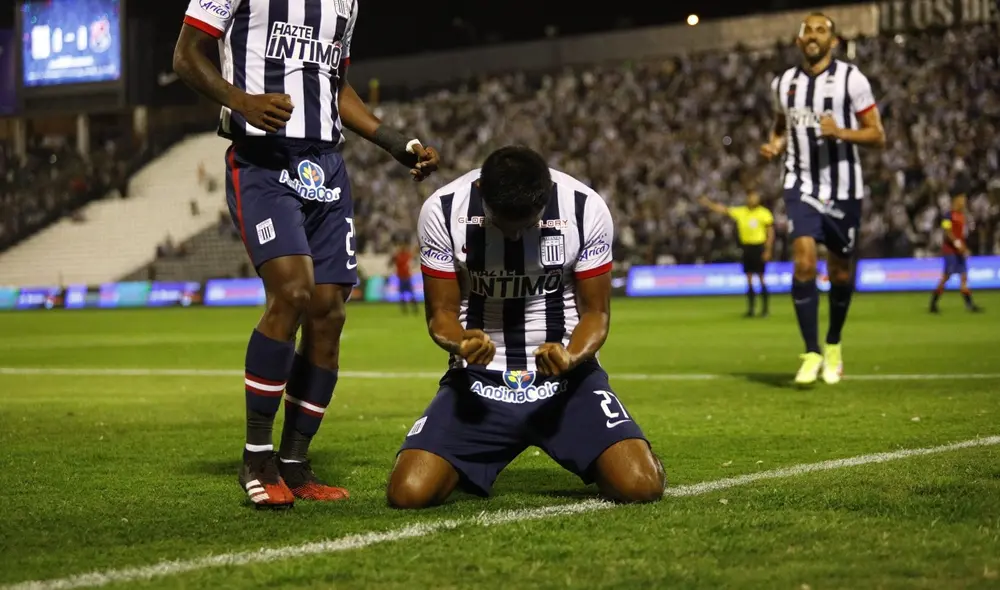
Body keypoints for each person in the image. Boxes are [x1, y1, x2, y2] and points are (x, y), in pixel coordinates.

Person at [173, 0, 441, 508]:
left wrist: (393, 142)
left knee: (328, 312)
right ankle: (256, 458)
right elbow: (186, 56)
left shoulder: (346, 3)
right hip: (262, 161)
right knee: (292, 291)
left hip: (326, 166)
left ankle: (294, 462)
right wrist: (242, 101)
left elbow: (335, 84)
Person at [385, 146, 665, 509]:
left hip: (567, 382)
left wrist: (571, 354)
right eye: (503, 224)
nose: (516, 237)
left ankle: (637, 449)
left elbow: (596, 314)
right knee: (408, 493)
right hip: (479, 382)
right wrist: (460, 342)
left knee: (641, 486)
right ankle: (469, 458)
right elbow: (440, 314)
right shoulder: (442, 209)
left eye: (528, 225)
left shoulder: (585, 206)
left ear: (546, 194)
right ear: (482, 191)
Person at [760, 12, 886, 386]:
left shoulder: (851, 78)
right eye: (807, 30)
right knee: (803, 262)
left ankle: (833, 343)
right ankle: (811, 350)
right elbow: (782, 124)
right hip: (800, 183)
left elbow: (877, 135)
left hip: (844, 188)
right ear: (799, 41)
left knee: (841, 272)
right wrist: (776, 144)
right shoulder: (783, 83)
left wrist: (841, 132)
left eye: (821, 30)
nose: (813, 35)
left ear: (833, 42)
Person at [699, 190, 775, 317]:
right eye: (750, 197)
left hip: (758, 247)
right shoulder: (741, 211)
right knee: (749, 278)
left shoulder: (764, 213)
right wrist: (708, 203)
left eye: (754, 197)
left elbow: (770, 233)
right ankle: (751, 309)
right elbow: (723, 210)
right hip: (747, 247)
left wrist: (768, 250)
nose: (752, 199)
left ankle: (765, 310)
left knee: (761, 278)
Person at [930, 193, 983, 314]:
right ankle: (933, 303)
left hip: (960, 250)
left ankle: (969, 305)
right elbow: (947, 232)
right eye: (961, 200)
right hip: (950, 250)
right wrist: (959, 246)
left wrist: (963, 247)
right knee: (946, 277)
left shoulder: (962, 216)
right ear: (956, 200)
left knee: (964, 277)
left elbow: (962, 234)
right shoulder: (948, 215)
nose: (963, 203)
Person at [388, 241, 418, 314]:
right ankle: (406, 309)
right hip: (402, 277)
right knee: (404, 294)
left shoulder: (405, 255)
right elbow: (390, 263)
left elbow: (414, 259)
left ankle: (413, 309)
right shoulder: (400, 255)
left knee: (408, 294)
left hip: (406, 277)